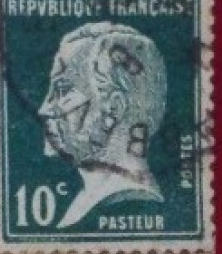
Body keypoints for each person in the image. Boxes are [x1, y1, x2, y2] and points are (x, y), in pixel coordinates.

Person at [37, 21, 167, 228]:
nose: (44, 109)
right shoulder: (87, 201)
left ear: (114, 108)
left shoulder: (121, 201)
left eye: (62, 90)